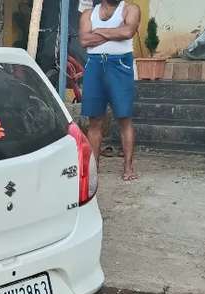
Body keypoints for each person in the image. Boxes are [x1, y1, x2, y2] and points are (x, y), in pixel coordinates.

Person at [79, 0, 141, 181]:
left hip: (120, 64)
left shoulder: (130, 9)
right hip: (94, 64)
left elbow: (128, 32)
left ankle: (128, 167)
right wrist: (115, 33)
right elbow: (84, 40)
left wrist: (97, 31)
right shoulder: (88, 14)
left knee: (124, 118)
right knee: (94, 120)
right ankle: (93, 167)